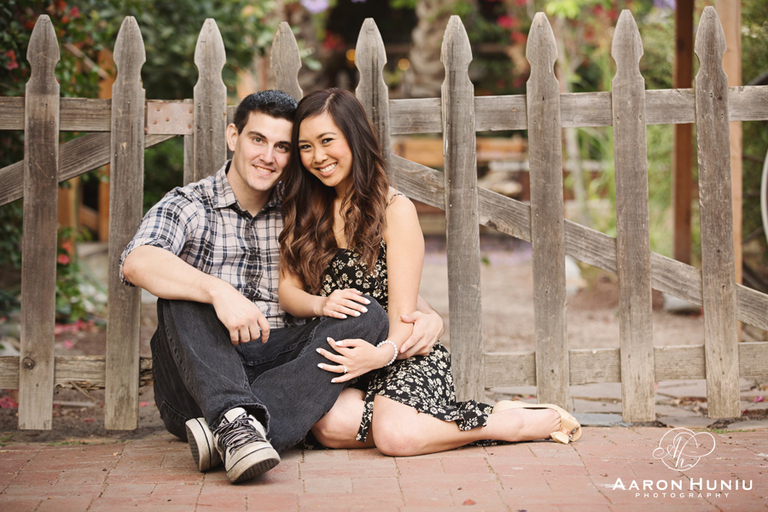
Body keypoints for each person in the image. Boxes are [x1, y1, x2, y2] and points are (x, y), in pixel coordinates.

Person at [119, 90, 444, 484]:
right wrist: (218, 292)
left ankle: (235, 431)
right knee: (183, 289)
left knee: (364, 313)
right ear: (233, 137)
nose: (268, 156)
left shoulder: (302, 208)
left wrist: (429, 318)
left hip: (280, 367)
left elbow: (375, 281)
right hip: (197, 379)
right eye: (258, 140)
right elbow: (137, 262)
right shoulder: (189, 204)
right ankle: (233, 418)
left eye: (283, 147)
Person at [278, 88, 582, 456]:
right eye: (305, 147)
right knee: (327, 426)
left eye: (327, 141)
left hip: (402, 353)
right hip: (346, 360)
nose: (318, 156)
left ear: (354, 140)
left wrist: (381, 355)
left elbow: (406, 313)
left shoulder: (393, 208)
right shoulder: (304, 212)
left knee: (395, 438)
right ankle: (443, 419)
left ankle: (508, 424)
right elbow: (288, 293)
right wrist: (321, 304)